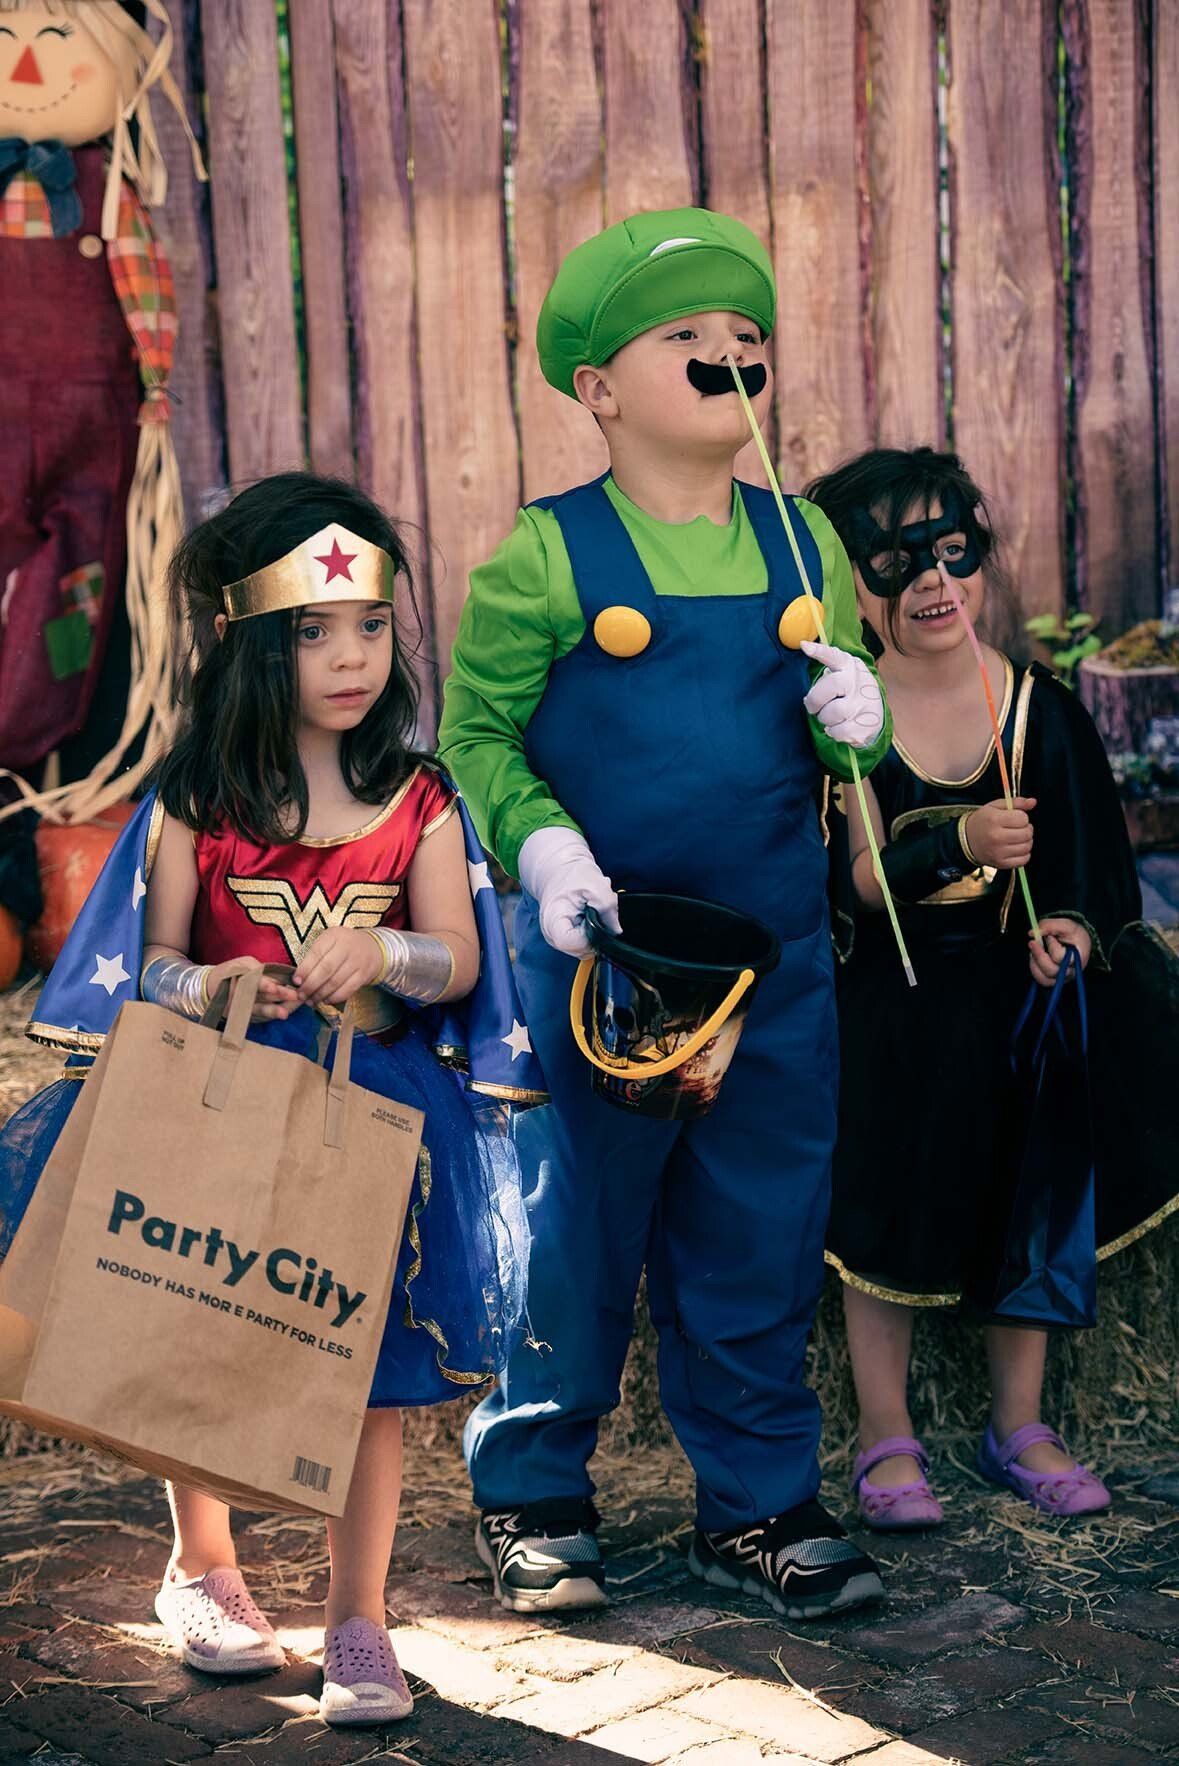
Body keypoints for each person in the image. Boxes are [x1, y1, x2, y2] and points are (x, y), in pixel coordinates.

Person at [0, 472, 544, 1724]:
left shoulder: (417, 797)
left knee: (371, 1364)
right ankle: (204, 1565)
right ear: (252, 641)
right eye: (313, 631)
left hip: (378, 1106)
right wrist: (217, 984)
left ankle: (361, 1617)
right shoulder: (200, 799)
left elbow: (457, 956)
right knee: (203, 1320)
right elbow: (150, 962)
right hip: (221, 1095)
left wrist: (387, 955)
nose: (352, 657)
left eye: (368, 625)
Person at [439, 208, 891, 1622]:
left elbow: (843, 734)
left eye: (745, 339)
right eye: (684, 337)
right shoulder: (546, 552)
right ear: (596, 389)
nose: (724, 357)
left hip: (770, 966)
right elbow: (474, 737)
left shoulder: (798, 530)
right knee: (573, 1228)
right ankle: (531, 1493)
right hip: (602, 962)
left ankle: (754, 1508)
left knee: (756, 1228)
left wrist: (855, 721)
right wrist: (543, 845)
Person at [806, 445, 1179, 1528]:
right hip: (892, 982)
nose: (931, 581)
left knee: (1049, 1111)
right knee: (888, 1100)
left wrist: (1063, 924)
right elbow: (858, 880)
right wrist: (958, 840)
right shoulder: (846, 722)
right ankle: (885, 1427)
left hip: (1015, 978)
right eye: (895, 560)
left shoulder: (1038, 710)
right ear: (853, 585)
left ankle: (1020, 1417)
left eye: (951, 552)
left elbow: (1095, 874)